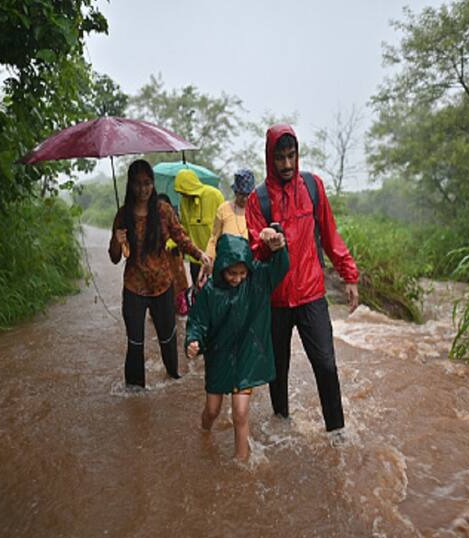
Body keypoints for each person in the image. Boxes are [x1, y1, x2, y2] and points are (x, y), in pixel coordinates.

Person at [245, 124, 360, 434]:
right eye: (280, 157)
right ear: (270, 158)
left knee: (326, 365)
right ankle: (282, 426)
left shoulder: (312, 187)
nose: (286, 164)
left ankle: (336, 432)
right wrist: (265, 243)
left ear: (297, 154)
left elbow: (331, 235)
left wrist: (349, 275)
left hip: (311, 294)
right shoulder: (258, 200)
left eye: (291, 156)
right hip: (275, 300)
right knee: (277, 371)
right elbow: (254, 250)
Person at [185, 229, 289, 460]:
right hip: (219, 356)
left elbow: (280, 267)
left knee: (240, 413)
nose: (237, 278)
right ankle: (203, 431)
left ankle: (240, 464)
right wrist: (193, 341)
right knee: (212, 410)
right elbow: (198, 322)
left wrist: (279, 246)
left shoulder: (257, 281)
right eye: (232, 273)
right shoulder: (209, 291)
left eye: (242, 273)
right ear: (222, 266)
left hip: (246, 355)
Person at [109, 159, 212, 388]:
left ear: (153, 184)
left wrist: (200, 254)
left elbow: (180, 237)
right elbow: (115, 257)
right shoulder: (123, 215)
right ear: (130, 185)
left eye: (147, 183)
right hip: (134, 288)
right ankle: (135, 391)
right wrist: (118, 241)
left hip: (163, 285)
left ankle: (173, 378)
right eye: (137, 184)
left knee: (168, 339)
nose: (143, 189)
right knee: (135, 342)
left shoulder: (163, 210)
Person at [173, 169, 224, 285]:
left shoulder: (214, 195)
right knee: (199, 293)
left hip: (215, 258)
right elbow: (184, 228)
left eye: (183, 191)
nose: (182, 194)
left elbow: (224, 226)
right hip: (196, 258)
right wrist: (173, 242)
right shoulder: (184, 202)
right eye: (180, 192)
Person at [205, 168, 255, 259]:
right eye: (241, 194)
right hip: (227, 262)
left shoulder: (257, 210)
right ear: (235, 192)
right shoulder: (223, 209)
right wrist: (209, 257)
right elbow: (214, 238)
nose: (244, 199)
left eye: (248, 195)